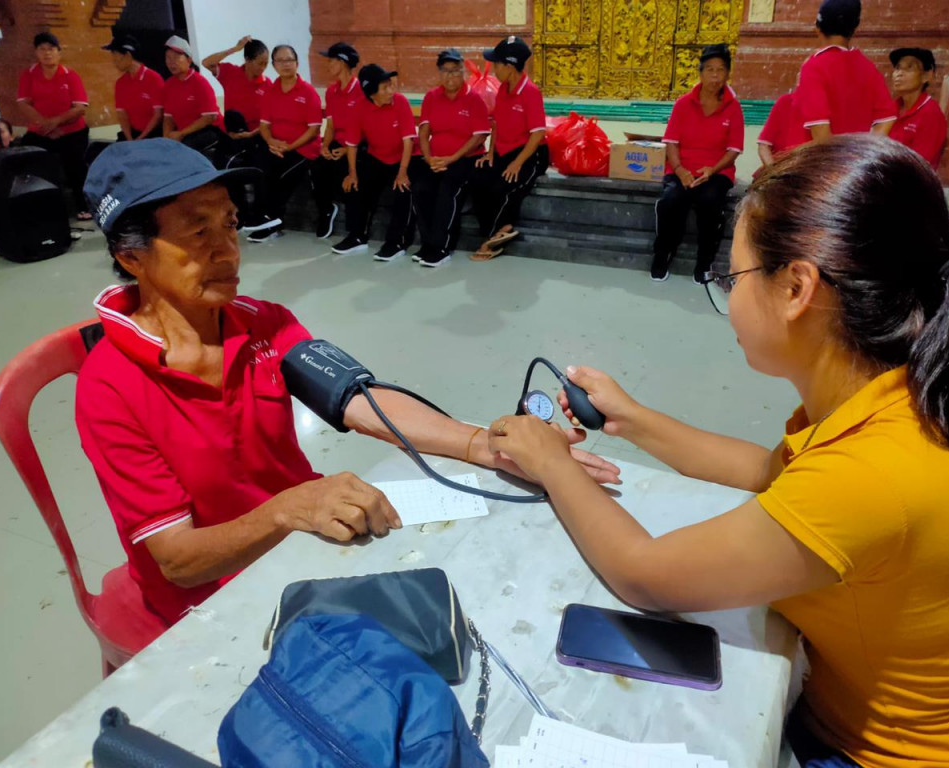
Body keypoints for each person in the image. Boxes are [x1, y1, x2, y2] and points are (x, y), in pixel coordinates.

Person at [486, 136, 949, 767]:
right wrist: (635, 419)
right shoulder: (886, 396)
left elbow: (643, 574)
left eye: (729, 276)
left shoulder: (877, 473)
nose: (726, 295)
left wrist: (550, 463)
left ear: (795, 288)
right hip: (839, 716)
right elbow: (769, 473)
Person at [77, 139, 619, 627]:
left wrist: (488, 445)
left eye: (230, 224)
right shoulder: (110, 387)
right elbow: (176, 560)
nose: (228, 250)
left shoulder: (262, 322)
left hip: (306, 541)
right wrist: (286, 508)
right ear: (132, 256)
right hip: (217, 597)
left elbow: (364, 402)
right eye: (198, 232)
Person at [652, 43, 744, 284]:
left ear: (727, 73)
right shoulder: (683, 103)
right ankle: (662, 254)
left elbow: (734, 149)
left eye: (721, 70)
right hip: (681, 168)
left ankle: (704, 262)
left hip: (717, 171)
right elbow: (671, 142)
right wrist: (680, 170)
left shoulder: (733, 108)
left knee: (710, 202)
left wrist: (712, 170)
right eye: (710, 70)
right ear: (701, 73)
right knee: (670, 202)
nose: (715, 76)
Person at [229, 44, 323, 244]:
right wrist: (271, 142)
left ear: (297, 63)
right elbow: (264, 126)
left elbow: (313, 129)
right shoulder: (271, 91)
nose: (285, 64)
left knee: (281, 176)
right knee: (259, 168)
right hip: (276, 145)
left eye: (289, 60)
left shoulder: (308, 92)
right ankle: (260, 219)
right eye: (280, 61)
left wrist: (289, 147)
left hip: (303, 149)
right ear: (274, 65)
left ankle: (272, 222)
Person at [470, 36, 549, 262]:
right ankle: (493, 232)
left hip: (530, 154)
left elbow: (538, 134)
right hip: (504, 151)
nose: (493, 69)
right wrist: (490, 152)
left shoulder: (530, 92)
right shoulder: (503, 89)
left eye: (496, 64)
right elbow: (497, 124)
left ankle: (496, 234)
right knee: (477, 179)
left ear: (510, 66)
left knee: (506, 185)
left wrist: (518, 163)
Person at [410, 49, 490, 267]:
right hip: (436, 160)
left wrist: (451, 158)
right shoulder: (431, 97)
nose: (450, 76)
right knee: (420, 189)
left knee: (448, 190)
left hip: (466, 158)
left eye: (455, 71)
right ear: (439, 73)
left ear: (463, 72)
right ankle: (427, 244)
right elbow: (424, 131)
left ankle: (442, 247)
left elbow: (480, 135)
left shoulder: (473, 99)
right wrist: (428, 158)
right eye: (445, 71)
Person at [332, 64, 417, 261]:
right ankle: (356, 236)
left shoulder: (400, 102)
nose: (390, 91)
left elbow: (408, 141)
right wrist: (352, 172)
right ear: (371, 94)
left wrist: (403, 171)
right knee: (355, 185)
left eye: (390, 85)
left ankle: (397, 242)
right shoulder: (359, 107)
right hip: (377, 156)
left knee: (403, 191)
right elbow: (352, 144)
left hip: (403, 158)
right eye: (384, 87)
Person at [793, 0, 896, 141]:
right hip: (858, 160)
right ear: (854, 29)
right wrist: (864, 152)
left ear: (817, 28)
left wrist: (836, 160)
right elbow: (887, 118)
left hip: (823, 159)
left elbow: (820, 132)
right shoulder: (867, 67)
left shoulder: (813, 67)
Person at [16, 32, 91, 220]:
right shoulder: (29, 75)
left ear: (59, 52)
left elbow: (79, 108)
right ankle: (43, 209)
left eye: (51, 49)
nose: (47, 53)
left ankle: (83, 206)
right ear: (36, 52)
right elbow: (23, 104)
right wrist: (45, 126)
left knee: (75, 164)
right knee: (26, 158)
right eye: (42, 49)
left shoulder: (70, 75)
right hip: (41, 131)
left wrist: (55, 123)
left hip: (71, 130)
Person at [310, 42, 361, 241]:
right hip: (337, 143)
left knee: (347, 172)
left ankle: (354, 230)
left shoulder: (361, 91)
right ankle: (326, 210)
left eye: (331, 60)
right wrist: (324, 145)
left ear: (343, 62)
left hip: (357, 145)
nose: (328, 64)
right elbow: (330, 126)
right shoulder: (332, 91)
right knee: (316, 168)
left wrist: (348, 150)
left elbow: (366, 127)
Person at [201, 36, 271, 152]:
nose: (263, 68)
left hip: (255, 137)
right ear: (248, 60)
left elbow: (270, 119)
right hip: (229, 135)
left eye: (266, 64)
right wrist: (235, 49)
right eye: (260, 63)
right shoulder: (230, 73)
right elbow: (207, 63)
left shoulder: (267, 84)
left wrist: (251, 134)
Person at [162, 36, 227, 159]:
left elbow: (210, 117)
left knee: (183, 150)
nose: (171, 62)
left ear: (189, 60)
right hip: (184, 133)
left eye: (176, 57)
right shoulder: (169, 85)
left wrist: (181, 134)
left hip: (210, 130)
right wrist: (167, 137)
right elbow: (168, 117)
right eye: (168, 58)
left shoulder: (199, 82)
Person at [888, 47, 948, 170]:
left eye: (909, 68)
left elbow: (918, 166)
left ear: (926, 76)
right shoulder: (890, 109)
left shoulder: (931, 114)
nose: (899, 74)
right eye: (898, 68)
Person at [104, 34, 165, 141]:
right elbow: (122, 115)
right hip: (132, 134)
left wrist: (141, 138)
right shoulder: (120, 83)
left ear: (128, 55)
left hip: (154, 134)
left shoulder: (154, 79)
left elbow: (158, 115)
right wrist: (130, 139)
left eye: (115, 55)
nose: (114, 61)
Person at [755, 87, 810, 170]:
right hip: (779, 171)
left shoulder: (830, 108)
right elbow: (763, 146)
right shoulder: (785, 102)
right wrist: (774, 172)